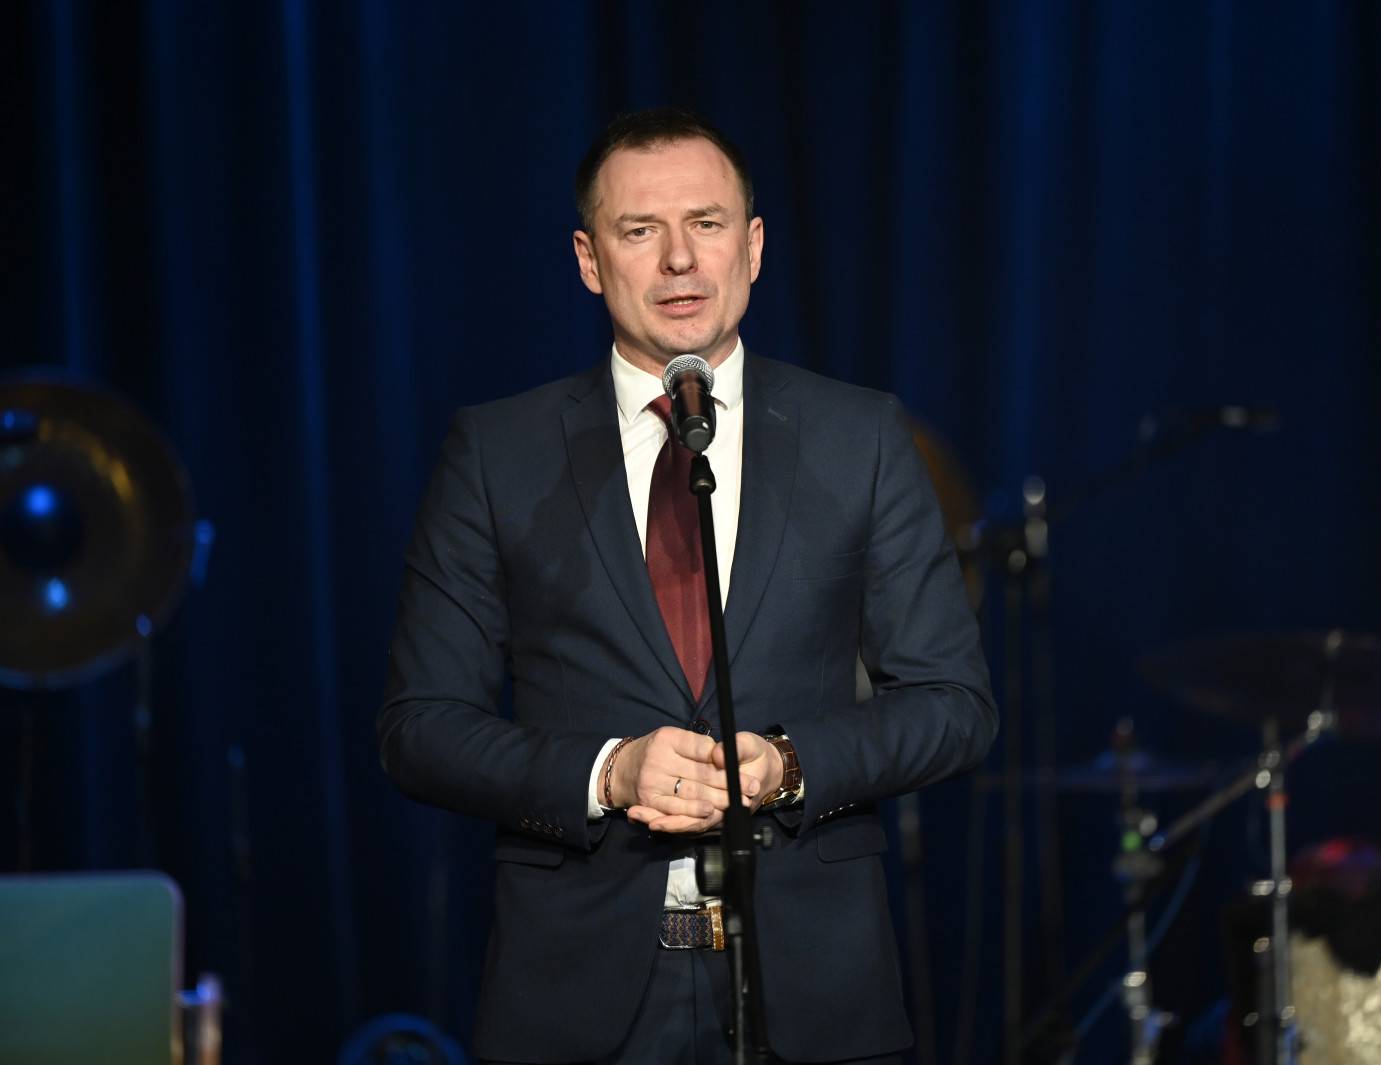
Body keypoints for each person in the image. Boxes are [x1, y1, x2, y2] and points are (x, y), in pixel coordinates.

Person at [377, 107, 996, 1065]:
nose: (679, 259)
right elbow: (419, 727)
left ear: (752, 246)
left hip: (814, 990)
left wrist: (788, 763)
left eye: (706, 223)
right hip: (576, 996)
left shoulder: (860, 437)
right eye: (640, 230)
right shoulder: (498, 453)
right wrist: (607, 772)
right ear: (590, 259)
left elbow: (955, 704)